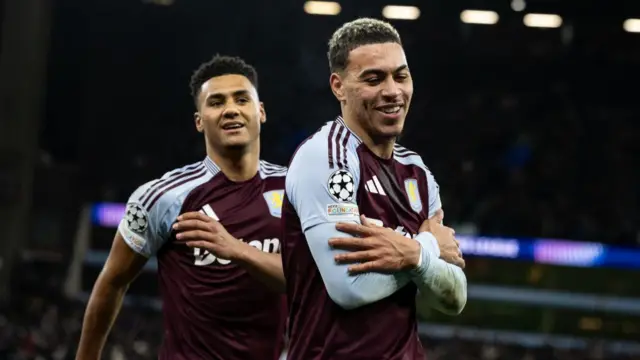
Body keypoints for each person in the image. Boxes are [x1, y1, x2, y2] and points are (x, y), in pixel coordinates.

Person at [76, 55, 288, 360]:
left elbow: (306, 278)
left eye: (242, 99)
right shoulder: (162, 197)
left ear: (261, 111)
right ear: (199, 121)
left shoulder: (294, 189)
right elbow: (112, 282)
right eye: (216, 102)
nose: (230, 109)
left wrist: (235, 249)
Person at [281, 18, 467, 359]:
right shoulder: (324, 158)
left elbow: (454, 297)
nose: (393, 91)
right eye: (373, 78)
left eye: (401, 75)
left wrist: (408, 254)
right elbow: (350, 288)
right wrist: (423, 251)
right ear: (338, 86)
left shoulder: (417, 172)